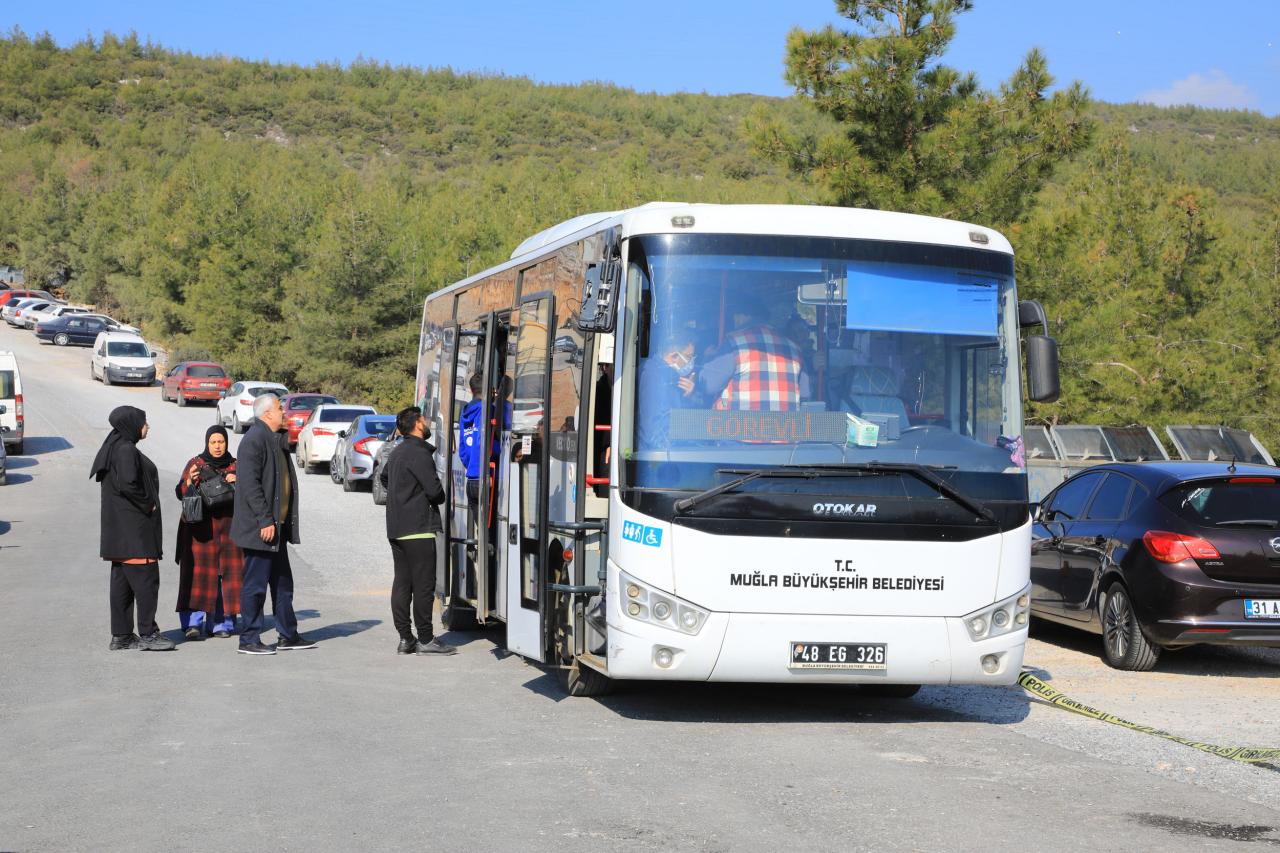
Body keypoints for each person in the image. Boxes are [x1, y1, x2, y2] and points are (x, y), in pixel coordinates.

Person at [230, 393, 315, 655]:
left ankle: (288, 634)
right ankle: (249, 639)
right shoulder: (254, 440)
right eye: (280, 409)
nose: (284, 413)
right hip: (261, 530)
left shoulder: (274, 439)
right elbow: (250, 487)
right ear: (266, 414)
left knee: (282, 584)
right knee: (255, 586)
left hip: (276, 530)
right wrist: (265, 520)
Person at [91, 405, 174, 651]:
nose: (147, 426)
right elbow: (129, 485)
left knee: (122, 584)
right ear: (132, 424)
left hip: (120, 534)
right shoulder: (125, 449)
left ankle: (122, 635)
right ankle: (148, 633)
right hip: (134, 532)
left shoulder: (115, 446)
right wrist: (149, 505)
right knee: (146, 580)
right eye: (144, 422)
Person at [382, 405, 456, 655]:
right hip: (419, 528)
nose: (427, 424)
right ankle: (425, 638)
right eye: (424, 420)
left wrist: (402, 495)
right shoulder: (419, 453)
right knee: (424, 585)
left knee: (402, 583)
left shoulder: (397, 452)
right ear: (416, 425)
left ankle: (405, 638)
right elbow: (436, 492)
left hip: (396, 527)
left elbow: (383, 478)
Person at [174, 425, 243, 640]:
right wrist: (188, 482)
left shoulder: (236, 466)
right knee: (196, 575)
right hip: (200, 532)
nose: (217, 446)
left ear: (226, 443)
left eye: (221, 442)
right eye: (213, 442)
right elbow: (180, 493)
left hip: (228, 532)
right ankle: (193, 624)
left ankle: (221, 623)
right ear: (207, 443)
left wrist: (239, 482)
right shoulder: (196, 464)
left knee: (226, 576)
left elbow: (251, 494)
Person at [697, 300, 811, 411]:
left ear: (740, 316)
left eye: (735, 317)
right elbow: (805, 394)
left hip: (741, 426)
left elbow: (708, 385)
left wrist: (707, 358)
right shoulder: (795, 349)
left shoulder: (735, 343)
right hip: (785, 427)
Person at [636, 331, 698, 450]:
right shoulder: (653, 376)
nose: (691, 362)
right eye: (689, 357)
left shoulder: (670, 376)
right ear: (674, 356)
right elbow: (653, 427)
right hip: (660, 454)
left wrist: (688, 396)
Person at [457, 373, 485, 530]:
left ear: (471, 390)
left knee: (481, 532)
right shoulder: (486, 410)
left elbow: (462, 448)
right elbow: (484, 443)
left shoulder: (464, 412)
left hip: (471, 479)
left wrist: (472, 465)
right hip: (486, 478)